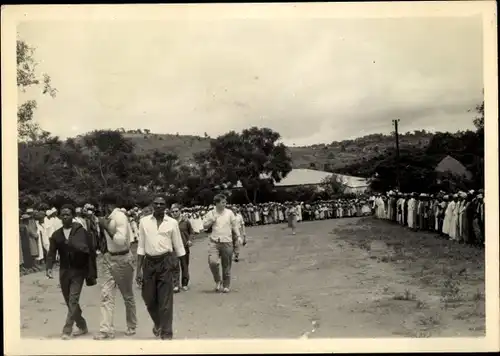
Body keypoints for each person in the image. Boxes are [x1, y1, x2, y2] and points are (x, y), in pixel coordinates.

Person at [136, 195, 186, 340]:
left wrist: (184, 270)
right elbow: (140, 246)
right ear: (152, 205)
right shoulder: (144, 222)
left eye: (161, 204)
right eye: (156, 204)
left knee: (165, 300)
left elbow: (179, 246)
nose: (158, 206)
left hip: (165, 262)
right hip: (149, 263)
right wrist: (138, 270)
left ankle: (166, 333)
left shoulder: (172, 223)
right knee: (149, 298)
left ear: (166, 207)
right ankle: (158, 323)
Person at [46, 204, 97, 340]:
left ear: (73, 216)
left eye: (67, 214)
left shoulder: (81, 232)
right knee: (69, 301)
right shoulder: (57, 235)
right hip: (64, 271)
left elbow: (90, 250)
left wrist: (90, 269)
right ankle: (82, 325)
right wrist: (49, 268)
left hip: (78, 271)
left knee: (73, 299)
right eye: (62, 214)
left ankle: (67, 330)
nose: (65, 216)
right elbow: (51, 253)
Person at [94, 195, 137, 340]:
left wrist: (105, 226)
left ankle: (131, 325)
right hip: (109, 257)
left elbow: (120, 240)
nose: (98, 208)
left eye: (100, 205)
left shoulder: (119, 217)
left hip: (123, 258)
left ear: (107, 204)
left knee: (127, 295)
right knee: (106, 294)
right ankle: (106, 329)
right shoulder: (107, 217)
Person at [203, 194, 241, 293]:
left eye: (225, 202)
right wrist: (212, 220)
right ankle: (217, 280)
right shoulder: (211, 213)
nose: (225, 204)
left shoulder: (229, 213)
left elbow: (234, 225)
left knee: (226, 265)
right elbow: (205, 226)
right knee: (213, 262)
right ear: (217, 203)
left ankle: (226, 285)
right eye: (223, 202)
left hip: (227, 241)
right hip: (214, 242)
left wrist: (239, 236)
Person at [170, 203, 193, 292]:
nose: (174, 213)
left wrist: (190, 240)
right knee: (174, 265)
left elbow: (191, 232)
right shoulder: (170, 222)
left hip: (184, 246)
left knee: (184, 265)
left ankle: (184, 283)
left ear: (180, 211)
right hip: (173, 247)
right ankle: (175, 284)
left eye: (176, 211)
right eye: (173, 212)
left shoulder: (186, 221)